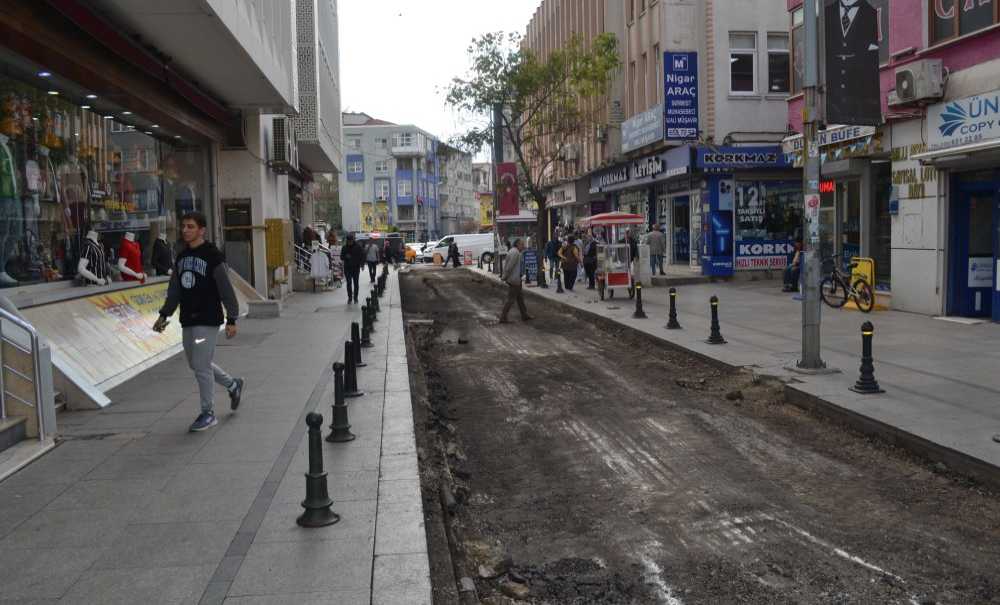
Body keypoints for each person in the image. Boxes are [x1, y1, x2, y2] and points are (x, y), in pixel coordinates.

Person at [153, 211, 244, 432]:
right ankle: (232, 384)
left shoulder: (213, 256)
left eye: (190, 226)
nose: (185, 230)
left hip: (208, 319)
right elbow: (175, 289)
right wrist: (164, 314)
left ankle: (208, 412)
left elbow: (225, 288)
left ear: (201, 230)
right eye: (183, 226)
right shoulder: (182, 257)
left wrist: (232, 318)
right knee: (196, 363)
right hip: (188, 319)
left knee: (201, 366)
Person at [498, 238, 533, 323]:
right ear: (517, 244)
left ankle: (524, 315)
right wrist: (504, 277)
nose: (523, 246)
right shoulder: (515, 252)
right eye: (522, 244)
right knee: (511, 299)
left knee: (520, 297)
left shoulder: (513, 251)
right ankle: (503, 317)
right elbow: (509, 266)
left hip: (516, 279)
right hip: (514, 279)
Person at [341, 234, 364, 303]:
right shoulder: (344, 247)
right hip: (347, 268)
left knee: (356, 283)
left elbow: (362, 256)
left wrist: (362, 264)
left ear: (353, 240)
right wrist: (345, 257)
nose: (349, 242)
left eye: (351, 241)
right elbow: (341, 257)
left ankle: (356, 298)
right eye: (348, 241)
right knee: (349, 283)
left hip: (356, 268)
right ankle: (350, 297)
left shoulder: (358, 247)